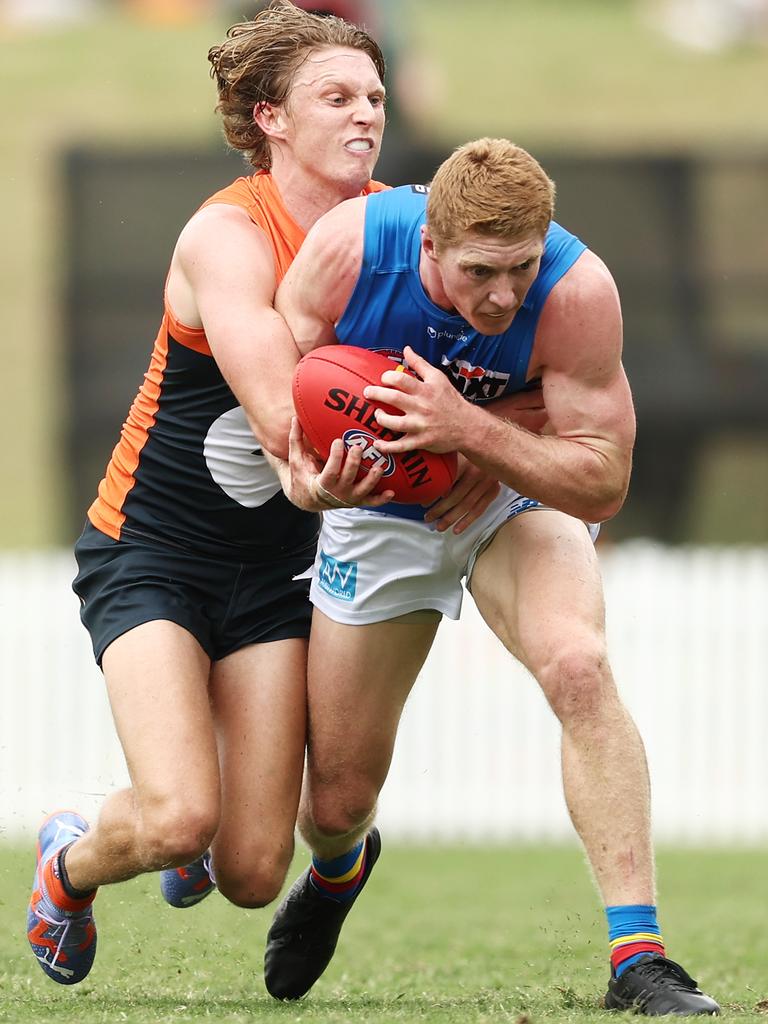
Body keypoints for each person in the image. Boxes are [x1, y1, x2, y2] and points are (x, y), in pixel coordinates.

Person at [262, 138, 721, 1015]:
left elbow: (602, 474)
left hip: (514, 494)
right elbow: (279, 392)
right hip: (381, 503)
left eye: (521, 267)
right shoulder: (349, 249)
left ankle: (641, 957)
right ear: (430, 247)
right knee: (334, 802)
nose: (505, 294)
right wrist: (309, 479)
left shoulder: (578, 290)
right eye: (481, 272)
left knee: (579, 666)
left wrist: (473, 433)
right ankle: (339, 870)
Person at [25, 0, 398, 986]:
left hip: (275, 572)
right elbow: (282, 411)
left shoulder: (401, 232)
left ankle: (300, 850)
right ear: (271, 117)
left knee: (249, 872)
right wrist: (315, 478)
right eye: (336, 96)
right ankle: (67, 861)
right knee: (181, 813)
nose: (365, 113)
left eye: (374, 95)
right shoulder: (226, 238)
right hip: (150, 550)